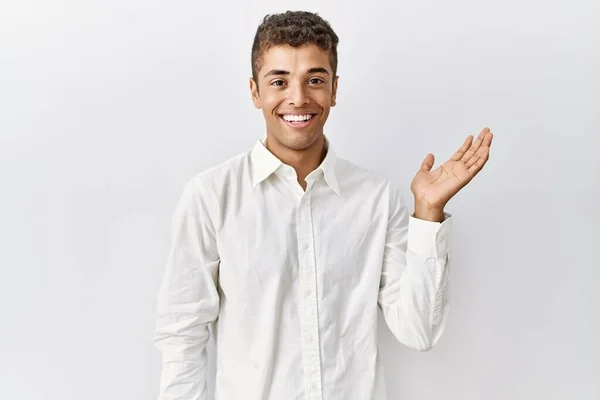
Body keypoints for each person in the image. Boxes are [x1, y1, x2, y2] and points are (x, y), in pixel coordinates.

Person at [153, 10, 493, 400]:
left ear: (333, 89)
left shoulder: (377, 199)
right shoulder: (211, 197)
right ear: (255, 91)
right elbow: (181, 336)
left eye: (314, 80)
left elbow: (419, 331)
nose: (298, 97)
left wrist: (428, 213)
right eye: (279, 81)